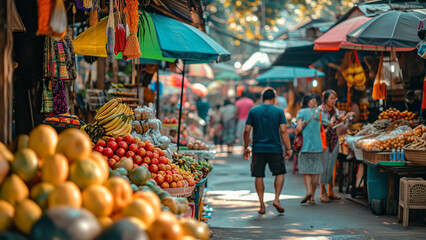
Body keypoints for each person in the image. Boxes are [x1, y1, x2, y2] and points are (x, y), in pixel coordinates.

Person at [243, 88, 292, 214]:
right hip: (275, 148)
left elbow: (247, 130)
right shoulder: (279, 111)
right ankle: (276, 199)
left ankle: (261, 205)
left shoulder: (253, 111)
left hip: (258, 149)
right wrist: (288, 148)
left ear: (262, 97)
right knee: (279, 173)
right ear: (274, 99)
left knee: (259, 175)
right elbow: (283, 131)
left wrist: (245, 147)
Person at [296, 94, 335, 205]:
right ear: (310, 102)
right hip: (317, 146)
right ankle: (312, 197)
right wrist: (332, 119)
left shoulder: (301, 112)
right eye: (314, 101)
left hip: (305, 147)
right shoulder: (318, 112)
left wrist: (302, 126)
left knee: (306, 171)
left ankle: (309, 192)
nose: (315, 102)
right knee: (315, 172)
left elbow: (298, 129)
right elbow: (330, 125)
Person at [318, 90, 353, 203]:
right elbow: (323, 124)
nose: (333, 101)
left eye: (335, 98)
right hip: (323, 139)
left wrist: (346, 117)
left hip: (333, 138)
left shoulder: (335, 109)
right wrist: (331, 122)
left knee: (331, 164)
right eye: (331, 98)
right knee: (324, 166)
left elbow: (338, 120)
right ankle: (322, 192)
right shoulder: (320, 110)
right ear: (325, 100)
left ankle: (330, 190)